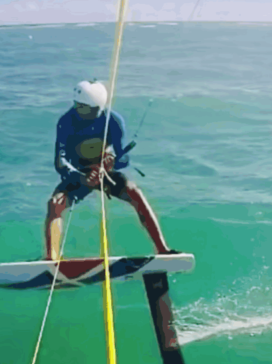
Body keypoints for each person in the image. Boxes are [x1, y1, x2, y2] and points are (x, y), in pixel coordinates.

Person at [44, 80, 178, 261]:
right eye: (76, 104)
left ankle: (162, 250)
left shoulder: (113, 120)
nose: (77, 109)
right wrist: (82, 178)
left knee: (134, 193)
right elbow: (60, 162)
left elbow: (123, 159)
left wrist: (112, 161)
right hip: (79, 175)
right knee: (55, 204)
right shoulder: (65, 122)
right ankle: (51, 260)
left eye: (83, 107)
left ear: (96, 108)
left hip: (105, 174)